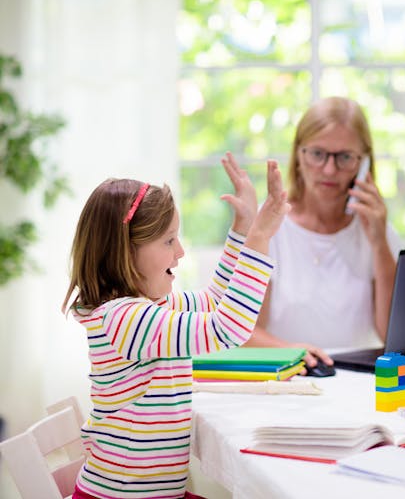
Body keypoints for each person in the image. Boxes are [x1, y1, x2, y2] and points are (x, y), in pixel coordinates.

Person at [62, 157, 289, 499]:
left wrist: (243, 226)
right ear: (126, 252)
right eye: (168, 241)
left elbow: (216, 301)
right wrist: (259, 238)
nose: (180, 252)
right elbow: (226, 329)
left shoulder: (151, 308)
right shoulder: (125, 320)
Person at [241, 97, 400, 367]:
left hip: (357, 378)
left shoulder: (377, 230)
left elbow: (392, 335)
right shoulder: (269, 227)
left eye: (345, 157)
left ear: (363, 163)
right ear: (299, 156)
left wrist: (379, 244)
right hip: (289, 375)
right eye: (317, 154)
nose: (329, 169)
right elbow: (241, 332)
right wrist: (290, 351)